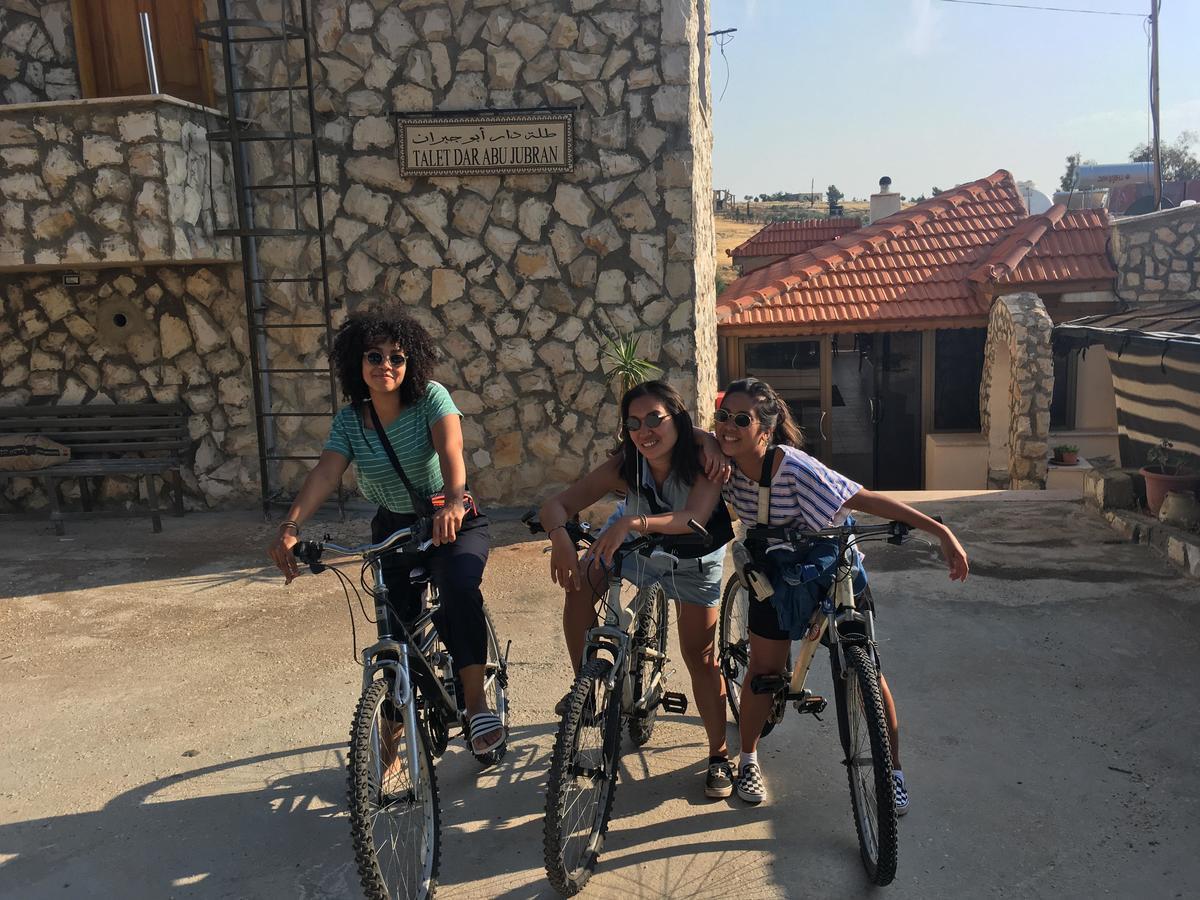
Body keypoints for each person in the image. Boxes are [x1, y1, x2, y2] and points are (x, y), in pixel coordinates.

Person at [715, 377, 969, 808]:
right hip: (772, 572)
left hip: (829, 564)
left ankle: (892, 769)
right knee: (764, 670)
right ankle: (749, 758)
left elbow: (860, 497)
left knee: (867, 667)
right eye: (723, 416)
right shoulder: (719, 462)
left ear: (765, 429)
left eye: (742, 419)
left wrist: (937, 529)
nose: (729, 427)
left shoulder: (796, 469)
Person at [267, 301, 504, 759]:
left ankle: (476, 707)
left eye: (396, 357)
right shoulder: (350, 422)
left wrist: (455, 500)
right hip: (392, 528)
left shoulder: (431, 399)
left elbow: (451, 448)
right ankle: (392, 752)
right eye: (374, 356)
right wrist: (291, 526)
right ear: (357, 363)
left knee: (458, 587)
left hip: (448, 517)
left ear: (410, 361)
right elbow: (325, 473)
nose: (386, 365)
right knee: (395, 633)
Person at [538, 380, 739, 799]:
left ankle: (719, 753)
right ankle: (585, 693)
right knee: (582, 583)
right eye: (633, 423)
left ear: (677, 421)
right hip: (635, 543)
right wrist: (560, 539)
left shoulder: (706, 460)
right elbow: (557, 505)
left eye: (654, 419)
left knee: (699, 659)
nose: (644, 430)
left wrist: (631, 523)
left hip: (693, 555)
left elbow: (695, 517)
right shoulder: (627, 463)